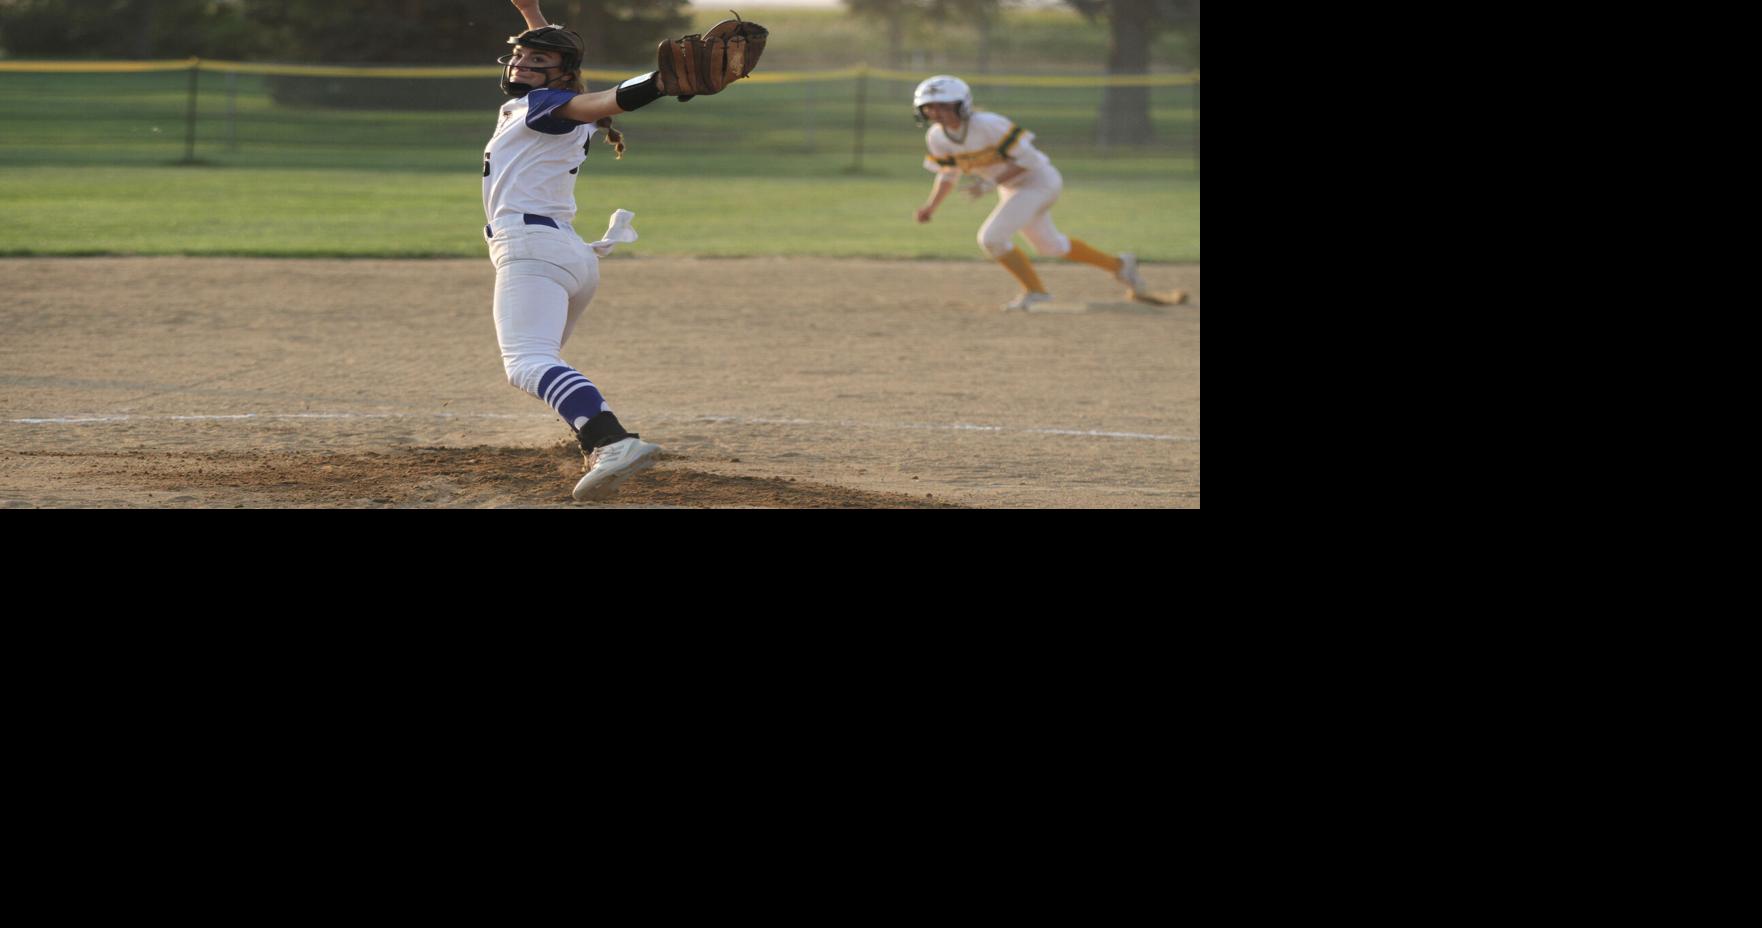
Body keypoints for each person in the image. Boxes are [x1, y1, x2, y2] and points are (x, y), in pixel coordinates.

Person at [482, 0, 677, 501]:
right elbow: (561, 64)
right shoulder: (544, 99)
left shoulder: (543, 106)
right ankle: (594, 437)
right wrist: (532, 12)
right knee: (543, 359)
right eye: (519, 58)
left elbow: (600, 102)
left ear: (561, 76)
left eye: (534, 62)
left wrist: (659, 82)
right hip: (567, 254)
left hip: (533, 250)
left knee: (527, 362)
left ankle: (612, 441)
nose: (521, 65)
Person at [910, 75, 1179, 312]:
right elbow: (947, 174)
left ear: (962, 104)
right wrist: (930, 207)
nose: (936, 112)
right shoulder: (937, 137)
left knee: (991, 237)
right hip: (1013, 188)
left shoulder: (988, 124)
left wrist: (989, 184)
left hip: (1039, 181)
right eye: (930, 107)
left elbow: (1028, 160)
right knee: (1051, 246)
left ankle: (1036, 291)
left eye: (944, 105)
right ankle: (1121, 266)